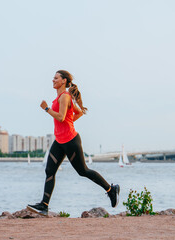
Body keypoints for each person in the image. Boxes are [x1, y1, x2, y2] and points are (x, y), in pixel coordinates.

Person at [27, 70, 120, 216]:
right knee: (49, 171)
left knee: (83, 171)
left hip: (71, 141)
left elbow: (61, 117)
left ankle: (111, 189)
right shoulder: (60, 97)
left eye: (56, 78)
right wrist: (66, 119)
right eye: (53, 78)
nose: (53, 80)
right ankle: (44, 205)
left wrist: (46, 109)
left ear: (63, 81)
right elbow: (78, 113)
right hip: (59, 141)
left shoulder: (64, 97)